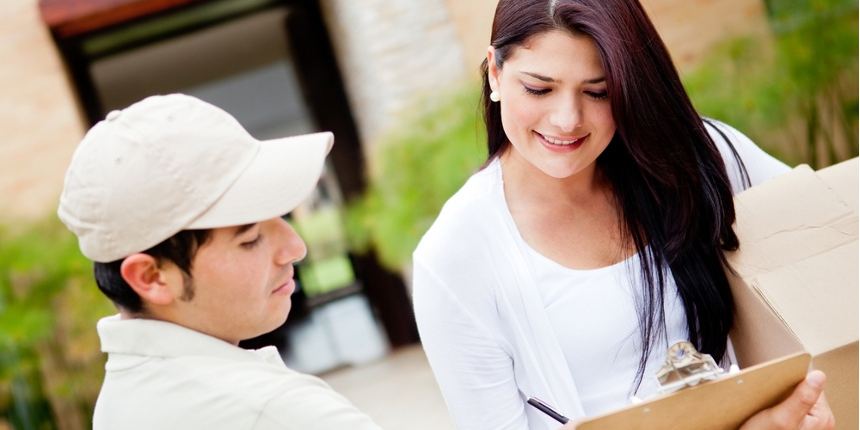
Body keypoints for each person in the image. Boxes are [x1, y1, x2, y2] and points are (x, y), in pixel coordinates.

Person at [411, 1, 836, 430]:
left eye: (599, 91)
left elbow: (835, 246)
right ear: (495, 73)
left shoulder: (700, 159)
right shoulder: (455, 257)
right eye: (539, 89)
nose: (567, 120)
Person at [58, 93, 385, 430]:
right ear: (152, 276)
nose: (295, 247)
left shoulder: (121, 404)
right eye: (251, 238)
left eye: (282, 216)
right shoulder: (276, 411)